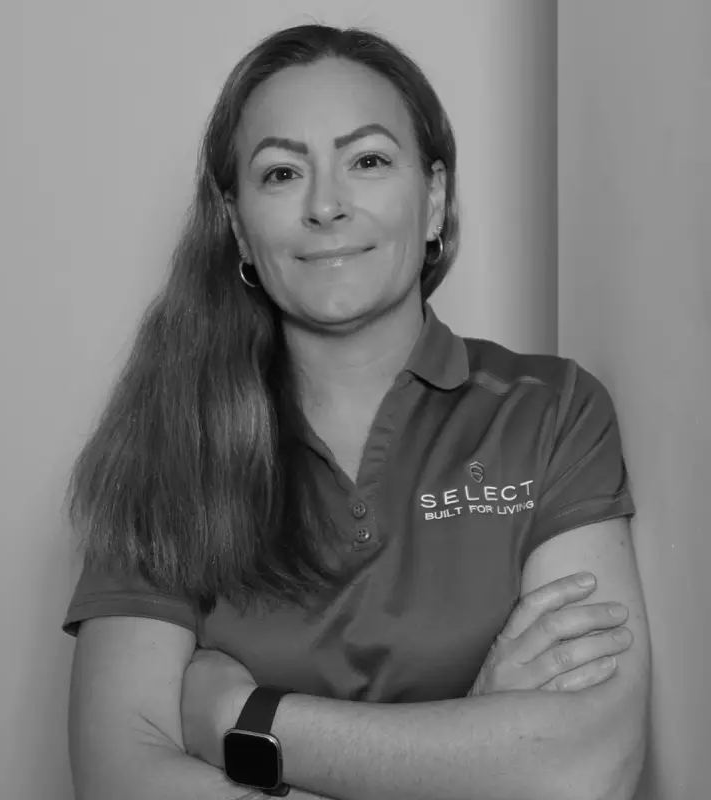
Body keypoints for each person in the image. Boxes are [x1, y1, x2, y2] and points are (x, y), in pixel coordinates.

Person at [62, 23, 650, 800]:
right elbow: (121, 779)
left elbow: (585, 769)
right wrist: (477, 729)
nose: (326, 205)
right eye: (280, 173)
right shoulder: (164, 447)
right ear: (238, 224)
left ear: (433, 198)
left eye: (368, 160)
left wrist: (247, 718)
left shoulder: (554, 414)